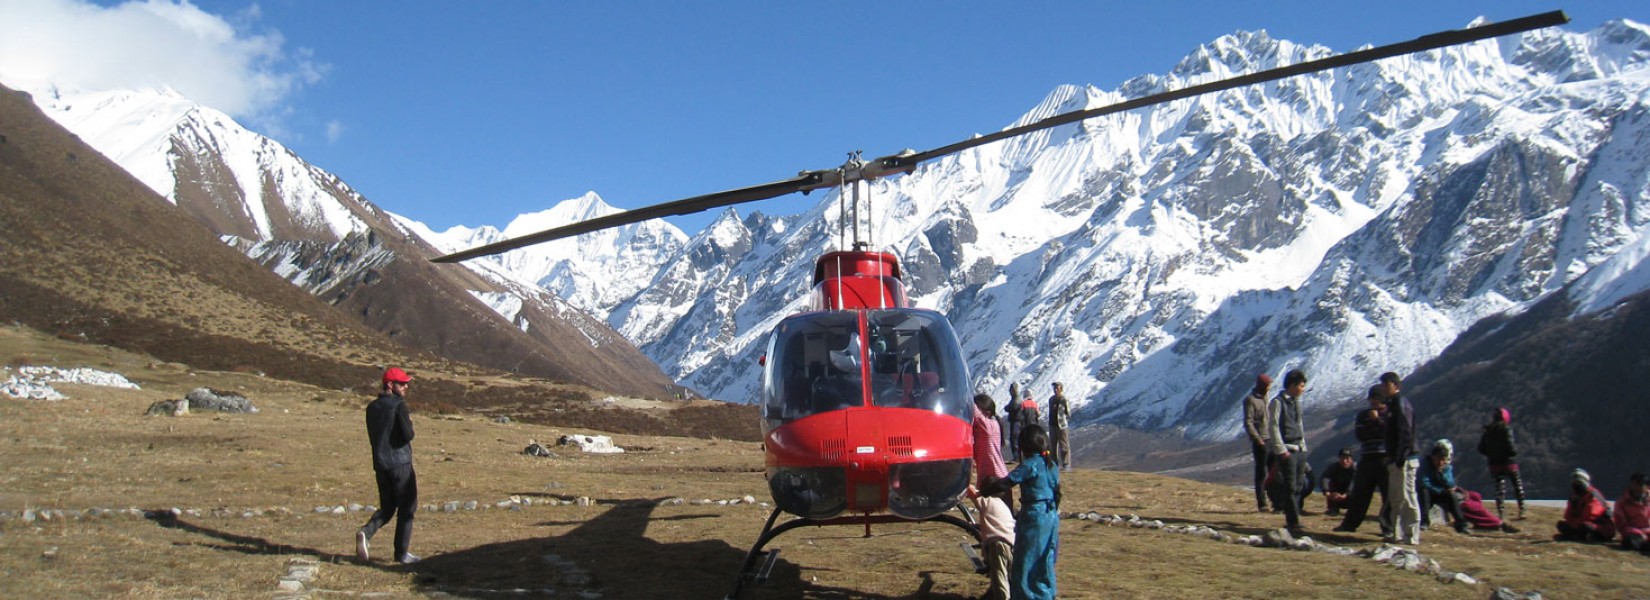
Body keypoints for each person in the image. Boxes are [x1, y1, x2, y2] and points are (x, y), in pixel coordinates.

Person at [979, 425, 1062, 600]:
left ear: (1024, 446)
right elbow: (1058, 492)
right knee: (1046, 555)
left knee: (1026, 558)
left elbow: (1007, 483)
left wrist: (984, 491)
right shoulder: (1051, 465)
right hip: (1051, 515)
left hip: (1034, 516)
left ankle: (1027, 595)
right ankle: (1046, 593)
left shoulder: (1029, 464)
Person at [356, 367, 421, 564]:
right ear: (390, 385)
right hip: (400, 463)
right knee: (408, 507)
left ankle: (366, 532)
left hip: (381, 464)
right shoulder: (398, 405)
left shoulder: (372, 408)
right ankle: (401, 554)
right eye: (402, 383)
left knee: (388, 507)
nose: (406, 386)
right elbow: (408, 434)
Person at [1334, 386, 1392, 536]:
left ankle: (1388, 527)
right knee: (1360, 492)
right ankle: (1349, 524)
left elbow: (1390, 432)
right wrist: (1374, 427)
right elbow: (1360, 435)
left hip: (1384, 458)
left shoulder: (1390, 414)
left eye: (1376, 399)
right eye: (1371, 399)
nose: (1373, 402)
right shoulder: (1362, 415)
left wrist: (1377, 421)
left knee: (1388, 494)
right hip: (1367, 457)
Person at [1381, 372, 1423, 545]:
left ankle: (1411, 534)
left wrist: (1400, 457)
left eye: (1387, 384)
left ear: (1395, 385)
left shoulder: (1400, 404)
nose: (1384, 388)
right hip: (1396, 458)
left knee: (1408, 496)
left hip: (1405, 459)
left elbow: (1405, 433)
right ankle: (1397, 532)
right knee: (1397, 497)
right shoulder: (1392, 405)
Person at [1267, 369, 1309, 534]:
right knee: (1290, 486)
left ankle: (1295, 516)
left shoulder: (1295, 403)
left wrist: (1304, 447)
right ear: (1292, 385)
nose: (1303, 389)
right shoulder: (1278, 403)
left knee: (1299, 485)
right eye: (1301, 385)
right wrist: (1281, 449)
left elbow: (1299, 425)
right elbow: (1274, 426)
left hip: (1299, 449)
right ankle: (1292, 521)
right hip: (1287, 450)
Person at [1476, 407, 1527, 521]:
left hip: (1494, 464)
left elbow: (1481, 448)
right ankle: (1522, 510)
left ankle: (1501, 514)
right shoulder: (1506, 428)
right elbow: (1510, 446)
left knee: (1499, 489)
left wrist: (1491, 453)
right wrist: (1512, 453)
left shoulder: (1488, 430)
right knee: (1517, 485)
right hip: (1508, 462)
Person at [1416, 440, 1471, 535]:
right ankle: (1424, 522)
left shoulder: (1446, 466)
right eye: (1439, 459)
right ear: (1433, 457)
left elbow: (1450, 483)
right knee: (1424, 492)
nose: (1441, 462)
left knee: (1451, 495)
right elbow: (1424, 482)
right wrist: (1439, 490)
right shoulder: (1424, 464)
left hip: (1440, 492)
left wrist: (1442, 473)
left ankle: (1461, 525)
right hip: (1428, 492)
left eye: (1443, 459)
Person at [1555, 468, 1616, 543]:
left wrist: (1573, 523)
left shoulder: (1593, 495)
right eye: (1575, 482)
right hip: (1580, 524)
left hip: (1603, 527)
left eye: (1579, 482)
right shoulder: (1574, 496)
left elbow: (1589, 516)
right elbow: (1567, 515)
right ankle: (1577, 535)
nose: (1576, 485)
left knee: (1586, 526)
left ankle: (1579, 536)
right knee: (1561, 525)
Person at [1242, 373, 1274, 513]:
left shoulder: (1265, 398)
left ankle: (1276, 500)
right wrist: (1257, 439)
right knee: (1261, 473)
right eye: (1268, 386)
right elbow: (1248, 422)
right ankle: (1262, 503)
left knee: (1274, 471)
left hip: (1270, 439)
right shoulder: (1250, 400)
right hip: (1260, 441)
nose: (1269, 389)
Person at [971, 394, 1012, 504]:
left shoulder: (990, 426)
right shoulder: (980, 431)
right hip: (988, 478)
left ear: (987, 412)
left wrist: (967, 395)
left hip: (997, 479)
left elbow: (977, 415)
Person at [1614, 473, 1650, 552]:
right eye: (1634, 484)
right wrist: (1638, 533)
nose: (1636, 488)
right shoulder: (1622, 502)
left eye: (1640, 485)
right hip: (1633, 532)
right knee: (1630, 542)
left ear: (1647, 487)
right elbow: (1621, 523)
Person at [1320, 448, 1357, 517]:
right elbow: (1325, 478)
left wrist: (1346, 494)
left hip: (1351, 495)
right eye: (1342, 458)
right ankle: (1333, 508)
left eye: (1347, 458)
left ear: (1351, 459)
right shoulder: (1333, 467)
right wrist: (1326, 491)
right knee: (1330, 484)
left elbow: (1354, 482)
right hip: (1336, 495)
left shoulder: (1356, 469)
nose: (1344, 461)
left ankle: (1354, 510)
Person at [1047, 382, 1071, 471]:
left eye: (1057, 388)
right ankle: (1053, 463)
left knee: (1064, 445)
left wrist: (1063, 417)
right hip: (1052, 424)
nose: (1055, 390)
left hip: (1062, 425)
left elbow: (1068, 412)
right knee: (1052, 445)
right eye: (1054, 388)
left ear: (1061, 389)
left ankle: (1066, 464)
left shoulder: (1064, 399)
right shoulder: (1051, 399)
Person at [1005, 383, 1024, 458]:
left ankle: (1017, 456)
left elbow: (1013, 407)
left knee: (1015, 438)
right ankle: (1017, 455)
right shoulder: (1014, 399)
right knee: (1014, 438)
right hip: (1015, 420)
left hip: (1016, 420)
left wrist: (1007, 408)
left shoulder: (1016, 399)